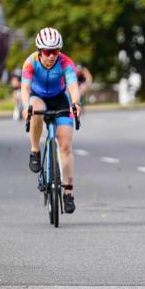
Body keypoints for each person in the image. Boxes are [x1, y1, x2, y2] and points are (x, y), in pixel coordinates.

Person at [20, 27, 83, 214]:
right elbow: (25, 88)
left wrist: (76, 103)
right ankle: (35, 150)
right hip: (37, 96)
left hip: (59, 98)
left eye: (55, 51)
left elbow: (73, 84)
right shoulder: (30, 62)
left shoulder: (65, 62)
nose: (52, 56)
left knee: (65, 146)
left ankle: (68, 193)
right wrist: (25, 107)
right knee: (36, 109)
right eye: (47, 52)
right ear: (40, 51)